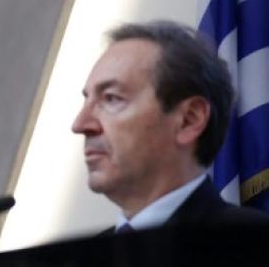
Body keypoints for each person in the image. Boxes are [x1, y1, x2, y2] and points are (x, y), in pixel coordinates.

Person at [71, 20, 269, 231]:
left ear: (189, 120)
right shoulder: (85, 252)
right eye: (87, 99)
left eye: (111, 98)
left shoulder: (254, 243)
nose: (80, 125)